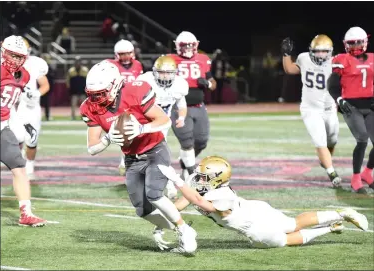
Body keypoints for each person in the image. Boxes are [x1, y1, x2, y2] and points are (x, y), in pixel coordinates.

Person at [80, 60, 197, 254]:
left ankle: (184, 229)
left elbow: (164, 120)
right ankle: (175, 228)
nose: (96, 99)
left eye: (100, 93)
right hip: (132, 158)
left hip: (155, 150)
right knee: (142, 209)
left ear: (115, 85)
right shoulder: (89, 108)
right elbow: (92, 148)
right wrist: (107, 139)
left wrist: (142, 128)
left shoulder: (135, 91)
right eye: (92, 95)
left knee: (154, 194)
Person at [158, 156, 369, 249]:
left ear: (217, 178)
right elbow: (181, 203)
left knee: (286, 240)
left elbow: (200, 202)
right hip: (255, 208)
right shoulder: (199, 183)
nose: (199, 177)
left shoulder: (223, 194)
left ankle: (331, 228)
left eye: (205, 175)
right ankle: (340, 214)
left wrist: (176, 180)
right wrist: (162, 221)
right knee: (293, 222)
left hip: (253, 225)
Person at [281, 35, 341, 187]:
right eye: (317, 51)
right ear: (311, 50)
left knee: (332, 139)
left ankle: (325, 161)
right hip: (310, 108)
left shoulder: (336, 63)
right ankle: (332, 173)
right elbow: (290, 69)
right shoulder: (304, 58)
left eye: (324, 51)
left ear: (330, 51)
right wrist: (286, 55)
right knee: (319, 139)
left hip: (329, 109)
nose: (320, 54)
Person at [0, 35, 47, 226]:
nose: (16, 60)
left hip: (3, 127)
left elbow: (12, 104)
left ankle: (25, 213)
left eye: (20, 56)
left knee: (20, 168)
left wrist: (20, 122)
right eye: (12, 55)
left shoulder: (25, 75)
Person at [327, 26, 374, 194]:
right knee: (362, 139)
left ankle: (367, 173)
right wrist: (339, 100)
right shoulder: (342, 59)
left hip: (370, 105)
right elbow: (332, 85)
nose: (355, 47)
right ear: (346, 45)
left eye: (358, 43)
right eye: (351, 44)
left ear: (365, 42)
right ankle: (355, 179)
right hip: (350, 106)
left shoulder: (373, 58)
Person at [136, 55, 189, 199]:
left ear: (174, 73)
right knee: (142, 155)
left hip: (161, 125)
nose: (165, 76)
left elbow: (182, 105)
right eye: (161, 72)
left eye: (168, 73)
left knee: (159, 156)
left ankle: (170, 184)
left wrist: (181, 118)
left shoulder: (179, 85)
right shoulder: (145, 81)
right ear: (154, 72)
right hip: (143, 122)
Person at [168, 31, 217, 180]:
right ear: (177, 46)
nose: (188, 48)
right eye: (185, 45)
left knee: (201, 141)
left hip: (199, 106)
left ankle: (185, 162)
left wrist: (208, 83)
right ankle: (191, 173)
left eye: (190, 45)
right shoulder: (170, 60)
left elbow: (213, 83)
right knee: (187, 141)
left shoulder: (203, 59)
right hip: (179, 106)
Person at [9, 38, 50, 179]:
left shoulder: (35, 63)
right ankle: (20, 160)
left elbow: (45, 85)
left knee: (31, 138)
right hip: (11, 105)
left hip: (30, 106)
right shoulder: (5, 64)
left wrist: (36, 94)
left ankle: (30, 164)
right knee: (15, 137)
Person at [109, 39, 144, 176]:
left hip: (134, 102)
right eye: (122, 54)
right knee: (123, 132)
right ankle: (125, 158)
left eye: (127, 53)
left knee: (135, 131)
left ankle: (131, 157)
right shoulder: (110, 65)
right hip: (118, 102)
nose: (125, 57)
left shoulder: (138, 65)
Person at [66, 56, 89, 120]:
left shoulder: (85, 70)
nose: (78, 63)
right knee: (73, 105)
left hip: (82, 91)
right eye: (76, 62)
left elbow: (88, 80)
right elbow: (67, 81)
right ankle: (73, 116)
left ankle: (84, 116)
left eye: (79, 61)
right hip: (74, 91)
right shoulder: (71, 71)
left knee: (84, 105)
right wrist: (69, 89)